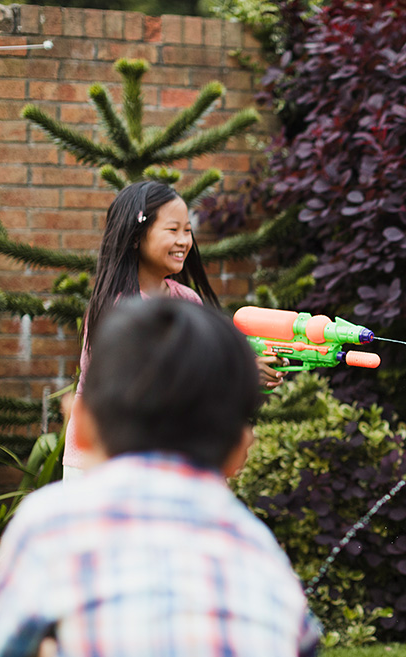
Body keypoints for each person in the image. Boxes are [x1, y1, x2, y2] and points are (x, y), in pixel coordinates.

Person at [0, 299, 358, 657]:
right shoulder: (251, 542)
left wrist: (74, 649)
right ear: (240, 452)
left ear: (85, 428)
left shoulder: (52, 521)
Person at [62, 180, 284, 479]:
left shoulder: (186, 299)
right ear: (136, 236)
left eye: (188, 231)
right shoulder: (118, 310)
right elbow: (152, 385)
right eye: (172, 230)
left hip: (161, 458)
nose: (184, 241)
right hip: (102, 460)